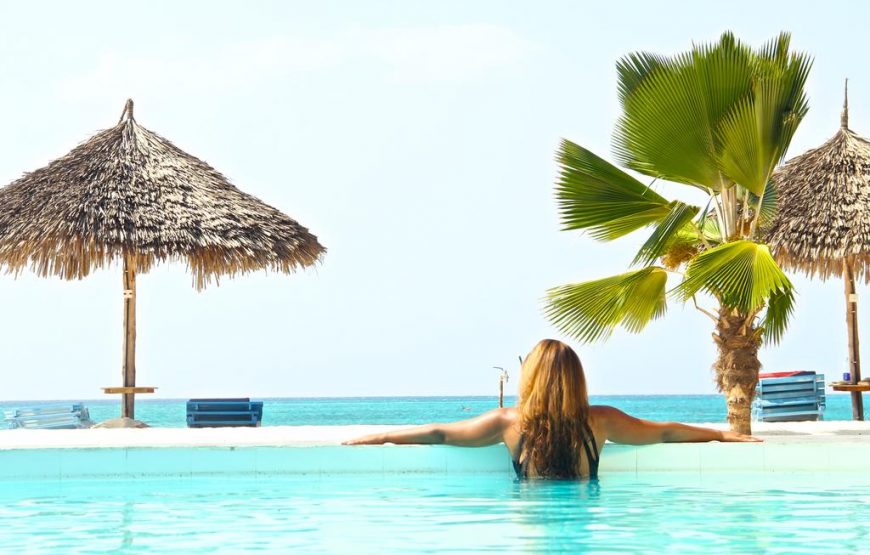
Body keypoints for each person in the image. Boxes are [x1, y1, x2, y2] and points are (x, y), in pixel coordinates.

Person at [343, 339, 760, 479]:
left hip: (532, 524)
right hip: (583, 523)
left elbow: (439, 434)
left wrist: (378, 436)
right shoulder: (600, 420)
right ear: (576, 378)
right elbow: (665, 431)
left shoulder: (508, 423)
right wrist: (723, 434)